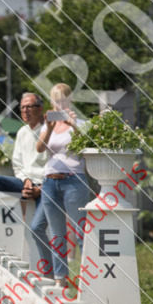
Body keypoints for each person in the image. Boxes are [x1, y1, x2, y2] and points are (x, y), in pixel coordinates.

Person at [0, 92, 53, 271]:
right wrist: (26, 180)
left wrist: (40, 187)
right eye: (22, 107)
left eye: (30, 107)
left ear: (40, 109)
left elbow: (53, 165)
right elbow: (18, 164)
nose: (25, 111)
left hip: (47, 186)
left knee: (37, 228)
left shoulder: (49, 131)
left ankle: (48, 269)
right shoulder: (21, 132)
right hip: (26, 183)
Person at [35, 83, 89, 285]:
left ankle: (88, 279)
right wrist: (48, 128)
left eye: (63, 99)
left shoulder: (80, 123)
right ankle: (60, 279)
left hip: (73, 179)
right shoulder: (46, 125)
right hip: (50, 180)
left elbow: (86, 145)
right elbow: (39, 148)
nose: (60, 104)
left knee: (81, 230)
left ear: (70, 101)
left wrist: (73, 124)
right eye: (56, 100)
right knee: (57, 234)